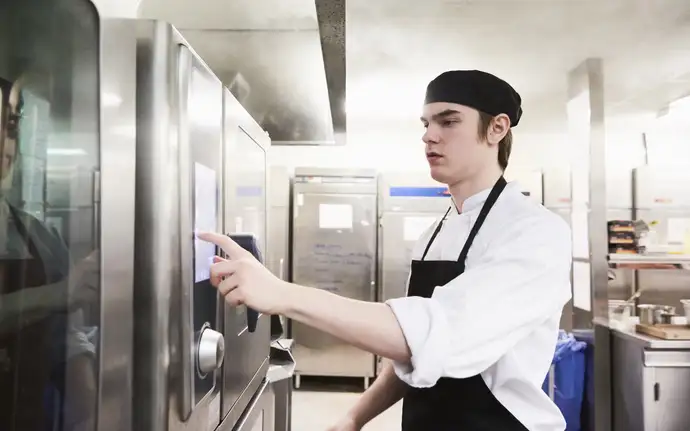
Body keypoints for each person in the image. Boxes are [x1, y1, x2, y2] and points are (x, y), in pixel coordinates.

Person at [199, 70, 572, 431]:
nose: (429, 136)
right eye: (425, 124)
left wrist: (282, 294)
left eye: (448, 121)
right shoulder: (434, 233)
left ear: (497, 128)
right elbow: (409, 352)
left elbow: (433, 336)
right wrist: (355, 417)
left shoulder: (534, 232)